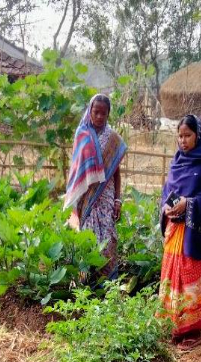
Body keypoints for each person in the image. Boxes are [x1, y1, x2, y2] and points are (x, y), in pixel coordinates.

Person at [159, 114, 201, 349]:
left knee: (190, 276)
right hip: (174, 230)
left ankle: (192, 330)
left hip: (195, 233)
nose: (183, 141)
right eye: (179, 136)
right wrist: (166, 207)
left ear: (198, 135)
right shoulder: (177, 162)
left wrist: (189, 203)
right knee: (171, 275)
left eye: (187, 135)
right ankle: (171, 325)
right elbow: (167, 191)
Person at [64, 94, 128, 278]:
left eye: (104, 113)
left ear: (108, 114)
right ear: (90, 111)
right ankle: (85, 284)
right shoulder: (82, 134)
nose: (99, 116)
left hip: (106, 197)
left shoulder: (113, 139)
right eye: (96, 112)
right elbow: (76, 170)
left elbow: (116, 173)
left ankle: (106, 284)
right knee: (87, 238)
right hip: (85, 197)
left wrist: (117, 199)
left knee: (107, 238)